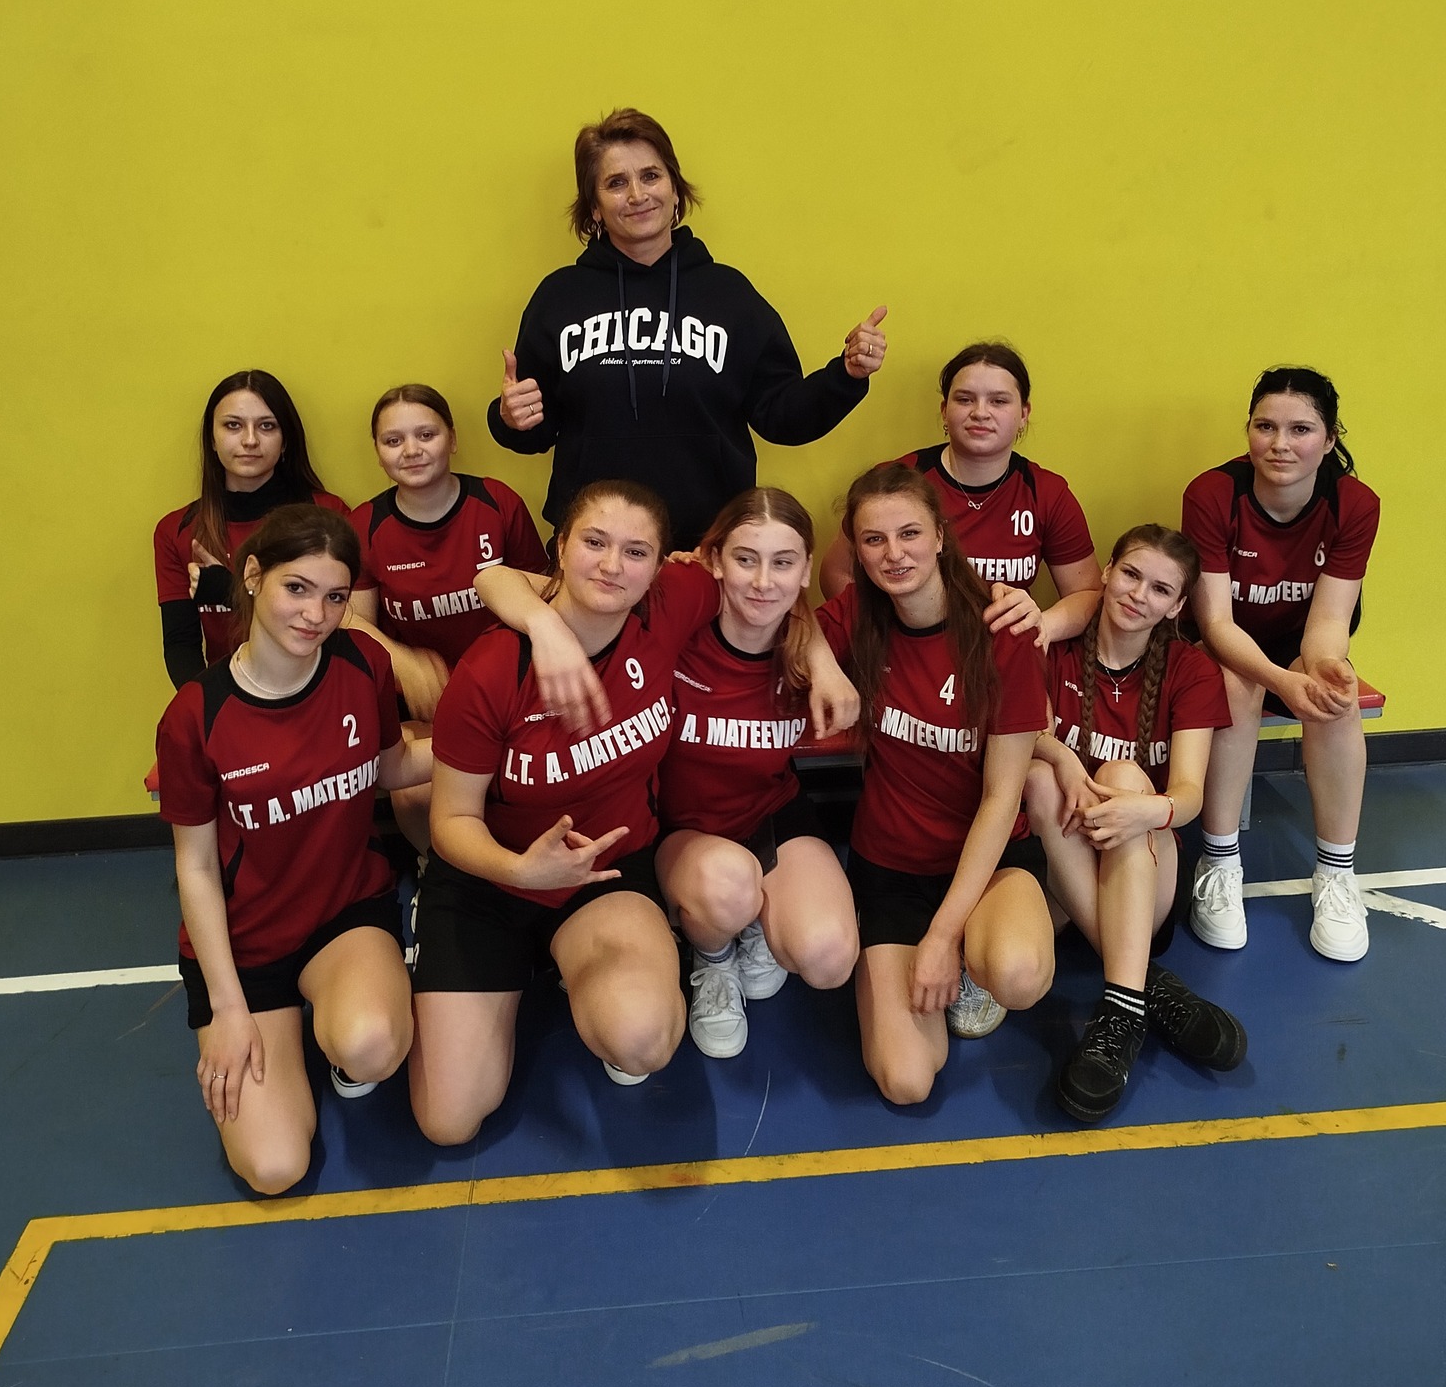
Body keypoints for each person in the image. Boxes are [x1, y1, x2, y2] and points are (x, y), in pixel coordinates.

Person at [405, 482, 712, 1142]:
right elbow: (451, 822)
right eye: (595, 542)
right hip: (491, 881)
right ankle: (507, 967)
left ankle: (594, 974)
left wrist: (820, 658)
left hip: (603, 874)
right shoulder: (491, 670)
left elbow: (764, 589)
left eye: (636, 552)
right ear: (561, 548)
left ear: (660, 567)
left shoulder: (667, 608)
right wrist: (519, 871)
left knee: (642, 1040)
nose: (613, 565)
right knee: (448, 1123)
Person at [154, 506, 431, 1196]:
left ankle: (338, 1030)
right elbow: (195, 867)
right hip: (247, 947)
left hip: (345, 915)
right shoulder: (195, 716)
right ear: (253, 576)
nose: (316, 614)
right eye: (297, 588)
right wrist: (228, 1009)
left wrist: (495, 737)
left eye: (335, 596)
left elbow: (389, 766)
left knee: (370, 1047)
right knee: (276, 1168)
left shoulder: (362, 663)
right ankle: (275, 1038)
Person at [487, 107, 889, 548]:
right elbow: (534, 428)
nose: (637, 195)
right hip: (594, 545)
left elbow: (782, 417)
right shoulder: (559, 297)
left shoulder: (729, 294)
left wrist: (846, 375)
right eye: (616, 183)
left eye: (651, 176)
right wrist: (510, 418)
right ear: (595, 208)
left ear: (676, 191)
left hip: (710, 544)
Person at [816, 462, 1054, 1107]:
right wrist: (824, 667)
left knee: (1018, 974)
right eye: (874, 540)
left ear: (941, 537)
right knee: (906, 1081)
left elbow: (1002, 798)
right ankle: (912, 953)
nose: (894, 554)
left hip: (987, 864)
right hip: (891, 867)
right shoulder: (858, 615)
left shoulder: (1004, 631)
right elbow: (790, 630)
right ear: (857, 551)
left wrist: (944, 938)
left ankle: (975, 950)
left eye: (910, 534)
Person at [1024, 526, 1247, 1123]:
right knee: (1040, 776)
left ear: (1176, 606)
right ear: (1106, 573)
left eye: (1160, 589)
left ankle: (1118, 1013)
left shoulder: (1190, 670)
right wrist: (1066, 762)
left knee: (1125, 776)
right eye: (1130, 574)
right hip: (1061, 863)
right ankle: (1146, 988)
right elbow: (1030, 740)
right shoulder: (1054, 650)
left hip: (1146, 875)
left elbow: (1190, 794)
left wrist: (1146, 809)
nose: (1138, 595)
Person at [652, 489, 862, 1058]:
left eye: (783, 562)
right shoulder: (678, 627)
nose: (764, 581)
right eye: (746, 559)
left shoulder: (810, 646)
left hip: (768, 814)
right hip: (683, 830)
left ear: (806, 569)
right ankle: (713, 955)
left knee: (828, 958)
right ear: (714, 559)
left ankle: (751, 917)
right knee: (726, 887)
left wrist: (824, 662)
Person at [1183, 367, 1381, 962]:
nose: (1280, 444)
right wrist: (1278, 680)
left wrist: (1324, 668)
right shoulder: (1213, 494)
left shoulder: (1355, 504)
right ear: (1248, 429)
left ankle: (1337, 874)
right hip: (1228, 644)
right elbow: (1216, 625)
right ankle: (1219, 864)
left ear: (1329, 437)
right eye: (1265, 426)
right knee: (1234, 684)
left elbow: (1329, 620)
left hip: (1301, 641)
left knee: (1334, 697)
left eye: (1300, 429)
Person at [347, 385, 547, 846]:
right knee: (417, 792)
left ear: (452, 439)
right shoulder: (365, 526)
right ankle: (434, 868)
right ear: (377, 452)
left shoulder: (497, 503)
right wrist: (405, 661)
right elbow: (353, 623)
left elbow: (542, 599)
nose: (411, 450)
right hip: (425, 702)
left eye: (426, 434)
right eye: (393, 440)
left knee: (527, 778)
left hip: (508, 691)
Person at [819, 340, 1102, 651]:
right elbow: (837, 572)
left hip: (1002, 656)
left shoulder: (1046, 492)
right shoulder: (898, 480)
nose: (980, 413)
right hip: (908, 654)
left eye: (998, 401)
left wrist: (1040, 626)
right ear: (945, 410)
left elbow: (1087, 594)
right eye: (965, 399)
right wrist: (889, 631)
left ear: (1024, 413)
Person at [154, 370, 353, 688]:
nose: (250, 440)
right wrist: (206, 707)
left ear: (285, 440)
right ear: (212, 439)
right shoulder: (176, 531)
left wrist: (232, 590)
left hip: (320, 689)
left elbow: (345, 624)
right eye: (233, 425)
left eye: (267, 426)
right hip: (228, 694)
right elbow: (181, 644)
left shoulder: (329, 515)